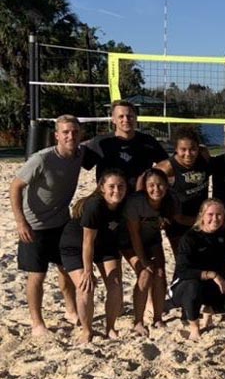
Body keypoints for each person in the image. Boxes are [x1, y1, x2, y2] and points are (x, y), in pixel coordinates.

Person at [11, 115, 84, 337]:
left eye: (74, 132)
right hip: (34, 225)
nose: (70, 136)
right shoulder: (41, 159)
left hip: (61, 222)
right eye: (65, 132)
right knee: (37, 275)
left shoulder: (80, 154)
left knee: (66, 268)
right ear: (57, 136)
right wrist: (21, 221)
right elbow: (15, 187)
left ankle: (70, 310)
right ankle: (37, 323)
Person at [60, 169, 127, 343]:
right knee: (85, 286)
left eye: (121, 186)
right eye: (111, 186)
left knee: (116, 284)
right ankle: (87, 330)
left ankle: (110, 328)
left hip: (104, 244)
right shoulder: (94, 205)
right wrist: (88, 271)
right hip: (76, 245)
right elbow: (87, 242)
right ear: (102, 188)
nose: (116, 191)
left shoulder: (125, 203)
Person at [170, 199, 225, 340]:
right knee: (193, 287)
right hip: (184, 285)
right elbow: (183, 271)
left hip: (208, 285)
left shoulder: (222, 237)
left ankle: (208, 309)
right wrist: (211, 275)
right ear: (202, 216)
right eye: (210, 214)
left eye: (219, 215)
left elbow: (224, 267)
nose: (215, 218)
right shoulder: (189, 238)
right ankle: (194, 327)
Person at [123, 168, 174, 336]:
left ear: (166, 186)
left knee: (160, 274)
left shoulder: (170, 200)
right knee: (145, 274)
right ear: (145, 187)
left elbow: (176, 221)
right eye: (151, 185)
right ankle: (138, 321)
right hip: (129, 242)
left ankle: (157, 318)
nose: (156, 189)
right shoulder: (135, 202)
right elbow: (134, 234)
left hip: (153, 240)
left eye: (160, 185)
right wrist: (143, 261)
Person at [83, 100, 168, 190]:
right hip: (110, 197)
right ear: (113, 120)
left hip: (138, 197)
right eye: (121, 116)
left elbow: (167, 164)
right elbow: (79, 164)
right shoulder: (101, 142)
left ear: (136, 118)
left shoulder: (148, 141)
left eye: (129, 116)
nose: (126, 120)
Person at [155, 127, 211, 257]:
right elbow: (146, 181)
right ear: (176, 149)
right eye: (183, 149)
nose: (188, 154)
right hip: (178, 221)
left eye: (192, 149)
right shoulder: (167, 167)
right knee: (184, 260)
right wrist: (158, 213)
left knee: (204, 258)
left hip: (201, 217)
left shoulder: (203, 155)